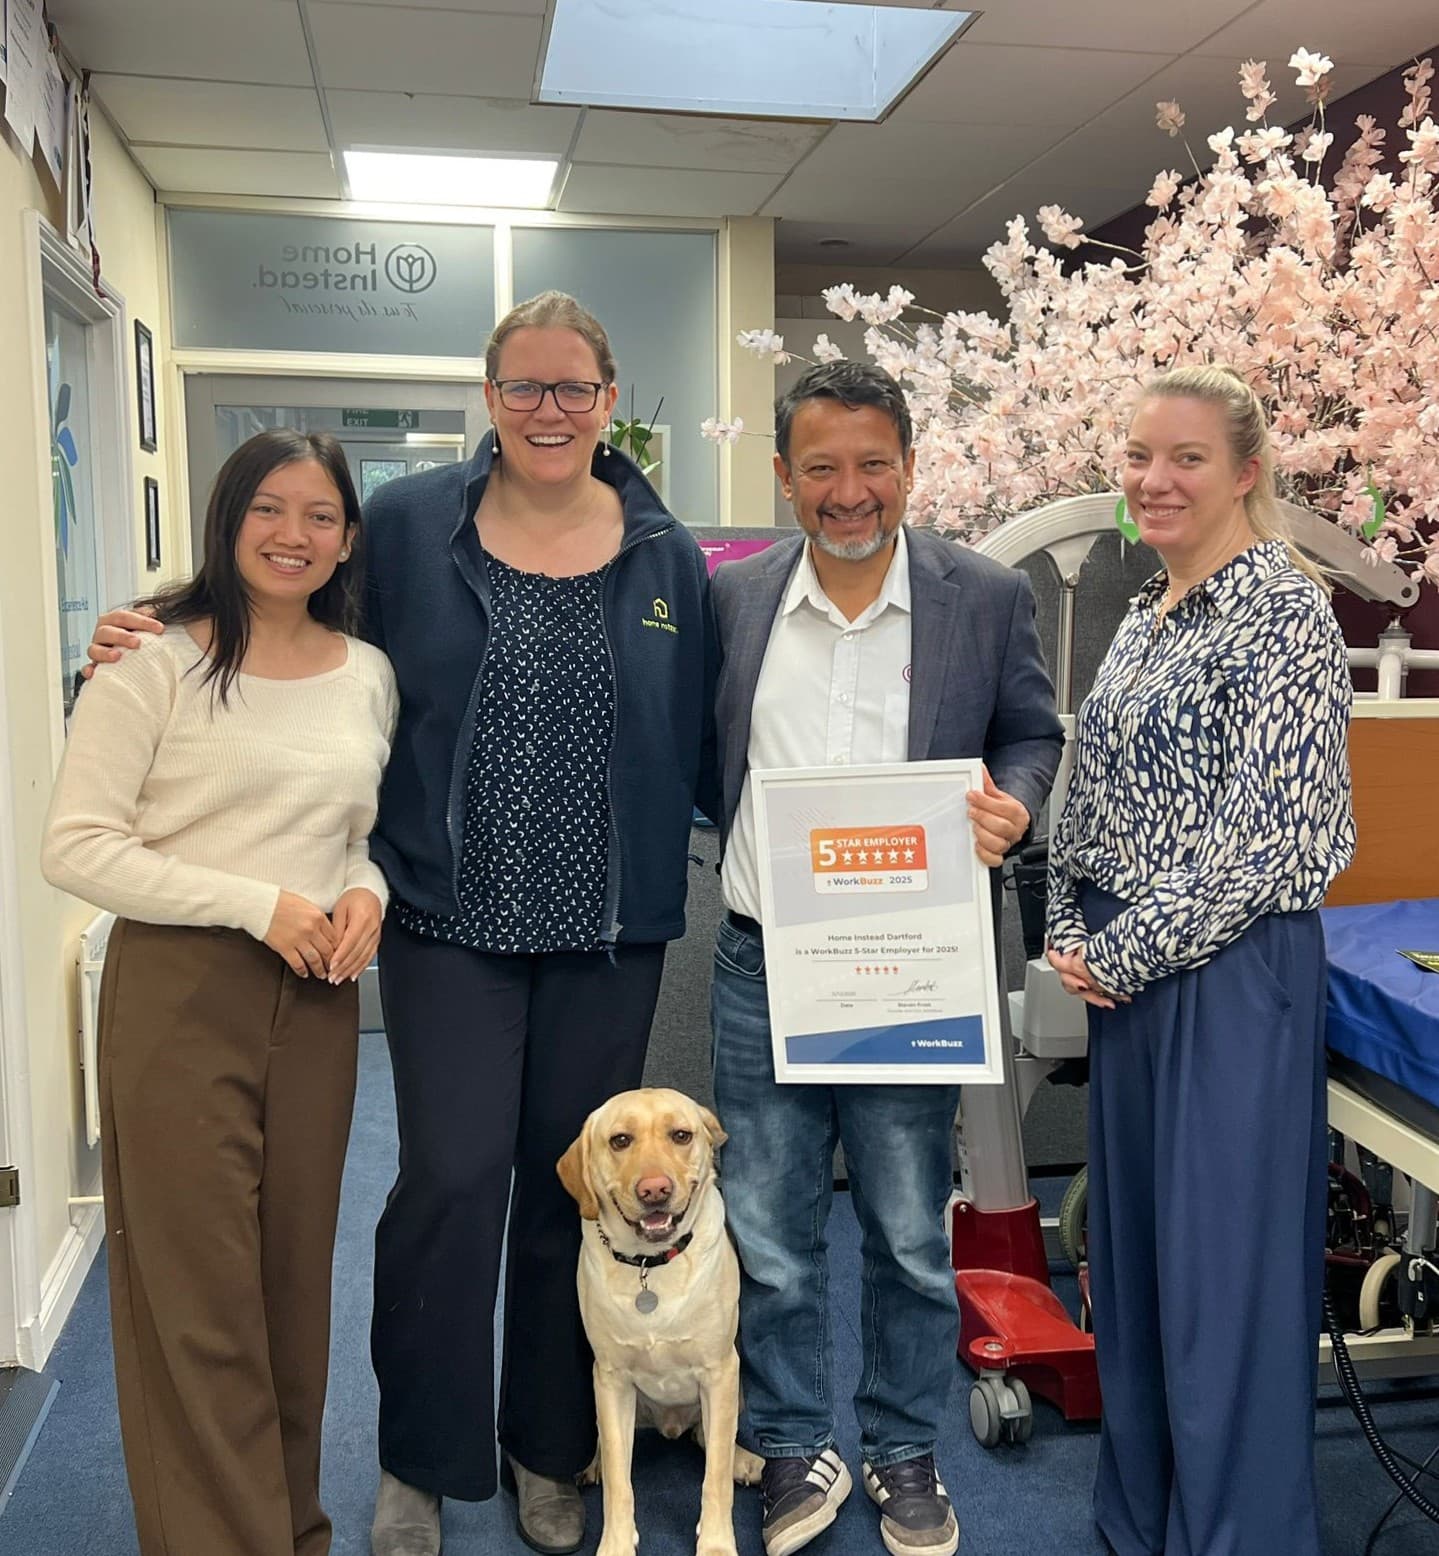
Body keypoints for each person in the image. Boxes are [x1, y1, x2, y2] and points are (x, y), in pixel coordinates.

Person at [85, 291, 717, 1556]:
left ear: (608, 403)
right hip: (443, 919)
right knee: (450, 1181)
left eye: (574, 389)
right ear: (489, 398)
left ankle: (548, 1445)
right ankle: (421, 1457)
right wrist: (156, 622)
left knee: (578, 1196)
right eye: (525, 387)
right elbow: (288, 610)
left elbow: (710, 726)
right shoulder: (414, 523)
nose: (549, 410)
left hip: (607, 931)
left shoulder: (665, 555)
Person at [709, 360, 1063, 1556]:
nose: (847, 491)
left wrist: (1012, 803)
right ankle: (794, 1433)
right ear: (782, 476)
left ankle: (902, 1447)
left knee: (911, 1230)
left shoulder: (981, 595)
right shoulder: (738, 599)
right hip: (765, 961)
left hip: (908, 961)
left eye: (871, 465)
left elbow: (1026, 728)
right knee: (768, 1226)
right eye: (820, 467)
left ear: (909, 467)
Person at [45, 429, 397, 1556]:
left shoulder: (367, 671)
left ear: (348, 536)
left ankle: (290, 1528)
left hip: (319, 999)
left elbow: (354, 836)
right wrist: (258, 902)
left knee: (294, 1293)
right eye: (269, 510)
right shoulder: (151, 659)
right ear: (227, 517)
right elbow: (77, 847)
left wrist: (364, 892)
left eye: (321, 515)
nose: (295, 535)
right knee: (197, 1304)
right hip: (181, 989)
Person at [1044, 364, 1355, 1556]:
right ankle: (1143, 1522)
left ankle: (1234, 1536)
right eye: (1135, 455)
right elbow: (1099, 793)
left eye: (1181, 458)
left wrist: (1121, 945)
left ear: (1243, 471)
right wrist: (1072, 919)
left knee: (1220, 1287)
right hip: (1129, 973)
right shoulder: (1148, 608)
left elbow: (1277, 839)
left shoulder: (1283, 610)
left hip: (1226, 977)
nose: (1151, 479)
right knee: (1133, 1273)